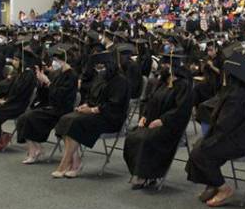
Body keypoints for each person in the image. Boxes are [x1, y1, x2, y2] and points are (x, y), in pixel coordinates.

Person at [185, 51, 245, 207]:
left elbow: (225, 125)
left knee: (203, 150)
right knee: (200, 147)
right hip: (238, 134)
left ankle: (223, 188)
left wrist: (210, 138)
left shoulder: (238, 96)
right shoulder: (241, 89)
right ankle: (213, 183)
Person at [122, 52, 196, 189]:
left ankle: (146, 175)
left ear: (174, 66)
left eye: (166, 64)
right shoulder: (161, 82)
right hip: (152, 122)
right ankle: (141, 172)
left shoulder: (183, 85)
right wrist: (144, 116)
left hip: (171, 126)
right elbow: (150, 101)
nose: (163, 66)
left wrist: (162, 120)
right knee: (132, 136)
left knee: (147, 140)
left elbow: (181, 110)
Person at [51, 49, 130, 178]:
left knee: (76, 123)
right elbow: (92, 96)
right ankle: (76, 162)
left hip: (111, 118)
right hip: (96, 113)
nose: (98, 69)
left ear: (108, 64)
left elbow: (113, 105)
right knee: (65, 119)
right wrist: (86, 105)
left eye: (100, 66)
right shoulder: (101, 76)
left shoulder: (120, 81)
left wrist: (92, 110)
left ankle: (65, 163)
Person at [13, 46, 78, 163]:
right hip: (51, 106)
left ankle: (35, 151)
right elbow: (48, 94)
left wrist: (48, 82)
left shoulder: (71, 75)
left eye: (57, 60)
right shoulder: (58, 73)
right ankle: (35, 148)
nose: (54, 63)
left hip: (63, 109)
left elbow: (61, 95)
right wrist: (42, 82)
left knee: (30, 117)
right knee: (23, 118)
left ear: (64, 60)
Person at [0, 47, 39, 152]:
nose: (13, 61)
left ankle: (0, 138)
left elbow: (21, 94)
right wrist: (1, 98)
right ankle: (0, 136)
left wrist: (5, 101)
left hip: (18, 105)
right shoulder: (20, 73)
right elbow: (9, 89)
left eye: (16, 60)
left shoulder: (29, 75)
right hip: (11, 102)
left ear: (23, 61)